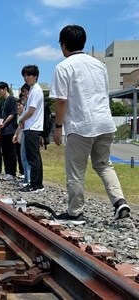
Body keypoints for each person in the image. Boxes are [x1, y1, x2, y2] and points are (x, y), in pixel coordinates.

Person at [49, 24, 131, 224]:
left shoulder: (63, 67)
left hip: (81, 125)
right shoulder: (99, 65)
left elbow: (61, 100)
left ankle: (75, 212)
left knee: (76, 170)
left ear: (63, 44)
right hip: (105, 123)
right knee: (104, 165)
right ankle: (119, 201)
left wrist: (58, 128)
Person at [18, 65, 44, 192]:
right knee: (33, 156)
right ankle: (36, 183)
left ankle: (36, 184)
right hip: (30, 126)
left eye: (28, 75)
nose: (26, 78)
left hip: (33, 127)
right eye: (24, 75)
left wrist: (21, 119)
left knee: (33, 157)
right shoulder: (33, 90)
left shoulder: (36, 90)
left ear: (35, 76)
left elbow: (31, 111)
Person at [0, 81, 18, 181]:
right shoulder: (2, 102)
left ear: (5, 89)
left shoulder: (11, 99)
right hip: (3, 130)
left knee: (11, 153)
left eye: (0, 90)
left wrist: (4, 123)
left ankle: (12, 173)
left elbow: (13, 113)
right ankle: (7, 171)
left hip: (10, 129)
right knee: (4, 152)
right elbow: (0, 116)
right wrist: (0, 127)